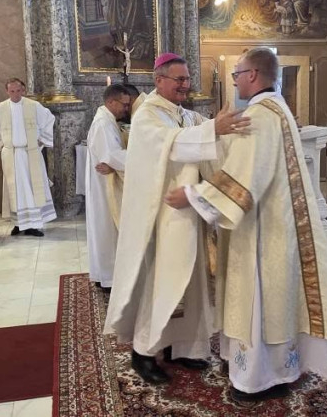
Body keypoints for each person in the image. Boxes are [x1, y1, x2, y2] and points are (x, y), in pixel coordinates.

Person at [164, 47, 327, 402]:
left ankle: (257, 379)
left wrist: (193, 195)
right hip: (278, 223)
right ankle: (275, 369)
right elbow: (241, 157)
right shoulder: (278, 109)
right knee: (275, 302)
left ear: (252, 75)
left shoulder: (260, 116)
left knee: (259, 300)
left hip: (263, 231)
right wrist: (215, 133)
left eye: (237, 74)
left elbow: (243, 180)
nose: (234, 81)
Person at [104, 53, 250, 385]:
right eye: (179, 79)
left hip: (190, 210)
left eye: (187, 79)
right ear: (159, 80)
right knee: (163, 282)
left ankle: (184, 347)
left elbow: (211, 144)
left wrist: (230, 132)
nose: (186, 85)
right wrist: (212, 129)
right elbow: (172, 147)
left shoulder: (185, 115)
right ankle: (143, 352)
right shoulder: (148, 115)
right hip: (163, 216)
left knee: (193, 282)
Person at [0, 78, 57, 237]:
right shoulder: (1, 108)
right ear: (7, 91)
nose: (16, 94)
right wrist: (1, 143)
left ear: (23, 90)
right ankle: (18, 223)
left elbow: (49, 119)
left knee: (32, 188)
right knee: (15, 190)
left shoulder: (33, 106)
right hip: (11, 155)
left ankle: (34, 225)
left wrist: (41, 140)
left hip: (30, 153)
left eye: (18, 91)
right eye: (12, 91)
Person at [85, 84, 131, 290]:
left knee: (104, 229)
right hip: (104, 187)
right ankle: (108, 277)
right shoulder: (103, 124)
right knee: (107, 229)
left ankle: (102, 273)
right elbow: (112, 156)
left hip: (105, 183)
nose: (126, 109)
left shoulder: (108, 120)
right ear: (111, 102)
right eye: (124, 104)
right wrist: (143, 156)